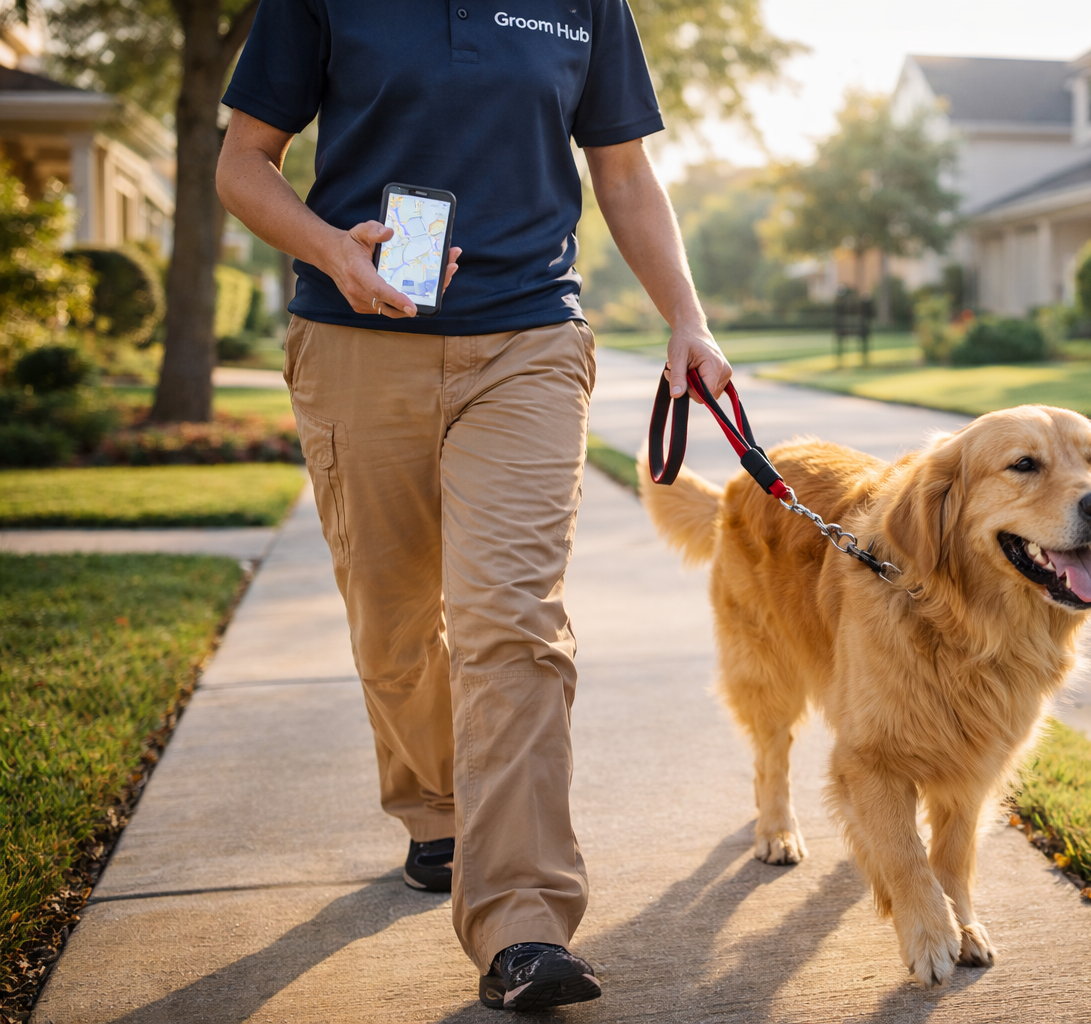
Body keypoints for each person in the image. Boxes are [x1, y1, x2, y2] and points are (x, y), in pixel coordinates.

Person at [216, 0, 731, 1012]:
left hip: (530, 340)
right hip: (357, 337)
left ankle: (522, 920)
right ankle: (436, 806)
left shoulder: (586, 5)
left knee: (512, 619)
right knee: (395, 623)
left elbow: (621, 171)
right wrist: (334, 251)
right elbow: (244, 164)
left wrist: (689, 318)